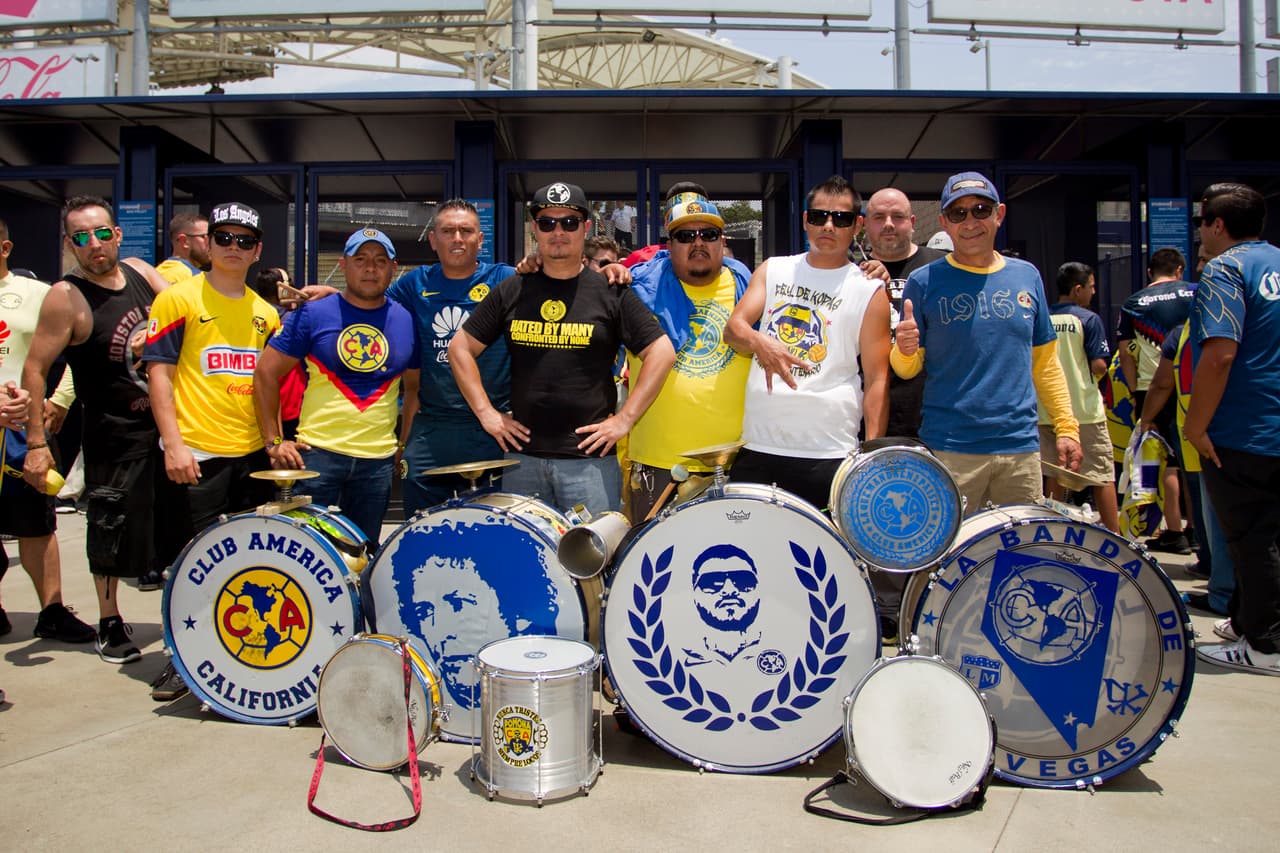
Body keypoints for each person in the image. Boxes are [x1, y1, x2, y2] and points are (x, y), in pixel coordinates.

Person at [449, 181, 675, 516]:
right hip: (521, 461)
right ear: (535, 229)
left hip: (589, 465)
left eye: (569, 222)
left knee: (593, 563)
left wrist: (625, 420)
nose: (558, 231)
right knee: (526, 563)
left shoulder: (610, 291)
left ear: (585, 228)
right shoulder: (513, 289)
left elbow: (662, 352)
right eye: (547, 222)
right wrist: (487, 415)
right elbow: (459, 349)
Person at [21, 195, 169, 665]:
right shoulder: (66, 297)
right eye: (81, 237)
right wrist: (37, 443)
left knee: (171, 526)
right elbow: (34, 369)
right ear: (69, 245)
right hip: (112, 433)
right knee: (111, 528)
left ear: (117, 235)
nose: (94, 245)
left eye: (102, 233)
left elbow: (189, 316)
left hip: (166, 427)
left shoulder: (144, 274)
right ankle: (109, 620)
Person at [142, 201, 280, 697]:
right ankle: (182, 659)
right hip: (195, 453)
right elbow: (158, 374)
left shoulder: (266, 314)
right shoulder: (177, 299)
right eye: (224, 238)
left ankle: (227, 657)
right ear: (208, 243)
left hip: (249, 457)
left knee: (238, 566)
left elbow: (268, 387)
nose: (234, 248)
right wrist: (173, 444)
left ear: (257, 250)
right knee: (187, 566)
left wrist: (274, 442)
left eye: (245, 241)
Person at [892, 171, 1081, 512]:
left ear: (999, 214)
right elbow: (907, 369)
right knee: (946, 557)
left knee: (1018, 556)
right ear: (944, 223)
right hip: (951, 447)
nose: (970, 221)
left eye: (980, 209)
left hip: (1019, 449)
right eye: (957, 213)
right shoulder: (924, 281)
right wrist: (903, 349)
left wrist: (1067, 427)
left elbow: (1046, 364)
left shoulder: (1027, 275)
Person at [724, 174, 890, 510]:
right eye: (818, 216)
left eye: (840, 218)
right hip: (760, 444)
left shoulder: (869, 290)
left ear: (856, 226)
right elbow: (733, 330)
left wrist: (871, 457)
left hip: (828, 451)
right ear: (805, 221)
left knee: (823, 560)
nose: (828, 226)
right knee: (754, 555)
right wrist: (762, 343)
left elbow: (877, 379)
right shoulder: (774, 270)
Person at [253, 228, 419, 546]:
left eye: (380, 260)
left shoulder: (406, 319)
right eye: (360, 259)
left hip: (377, 463)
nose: (370, 268)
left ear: (393, 268)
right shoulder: (312, 314)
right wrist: (274, 442)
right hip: (316, 457)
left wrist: (402, 446)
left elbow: (413, 390)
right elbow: (265, 373)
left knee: (361, 556)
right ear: (343, 265)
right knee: (307, 557)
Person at [1186, 182, 1280, 676]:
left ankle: (1266, 644)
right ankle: (1247, 622)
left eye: (1202, 221)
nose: (1200, 231)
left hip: (1244, 429)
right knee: (1269, 534)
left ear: (1217, 225)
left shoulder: (1225, 269)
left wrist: (1196, 424)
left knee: (1249, 537)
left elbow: (1219, 355)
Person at [624, 189, 753, 522]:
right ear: (669, 246)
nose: (698, 242)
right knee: (651, 569)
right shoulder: (636, 289)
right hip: (658, 465)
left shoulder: (751, 289)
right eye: (685, 235)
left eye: (708, 234)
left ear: (722, 241)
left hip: (734, 462)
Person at [386, 200, 518, 513]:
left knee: (491, 529)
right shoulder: (414, 283)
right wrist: (330, 296)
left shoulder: (505, 279)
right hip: (433, 428)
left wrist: (611, 269)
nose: (457, 238)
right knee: (421, 525)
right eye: (448, 231)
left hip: (492, 428)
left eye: (465, 231)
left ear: (480, 239)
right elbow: (370, 301)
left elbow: (559, 281)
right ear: (433, 239)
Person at [0, 221, 96, 644]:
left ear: (5, 247)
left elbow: (80, 354)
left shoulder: (41, 295)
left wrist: (59, 400)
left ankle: (52, 611)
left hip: (25, 430)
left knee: (36, 524)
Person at [1117, 247, 1196, 554]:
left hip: (1152, 388)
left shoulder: (1133, 302)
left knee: (1165, 463)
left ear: (1150, 272)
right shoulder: (1195, 292)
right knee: (1192, 463)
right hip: (1192, 385)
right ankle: (1196, 529)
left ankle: (1173, 531)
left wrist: (1135, 390)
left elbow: (1125, 354)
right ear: (1179, 269)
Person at [1039, 262, 1120, 532]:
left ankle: (1052, 532)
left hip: (1046, 411)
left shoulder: (1043, 318)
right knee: (1101, 476)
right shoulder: (1088, 319)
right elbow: (1099, 365)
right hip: (1085, 411)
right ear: (1077, 290)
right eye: (1091, 286)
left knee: (1053, 474)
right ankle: (1116, 537)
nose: (1093, 292)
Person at [861, 188, 948, 438]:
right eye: (879, 217)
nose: (888, 224)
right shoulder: (853, 275)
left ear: (912, 223)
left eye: (897, 216)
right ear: (865, 224)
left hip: (932, 418)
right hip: (868, 421)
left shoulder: (942, 267)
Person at [683, 543, 762, 666]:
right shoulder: (678, 650)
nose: (729, 590)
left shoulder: (787, 644)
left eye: (742, 581)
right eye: (713, 582)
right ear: (693, 592)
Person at [155, 211, 210, 285]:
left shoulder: (160, 272)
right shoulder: (179, 274)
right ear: (184, 241)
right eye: (204, 237)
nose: (210, 243)